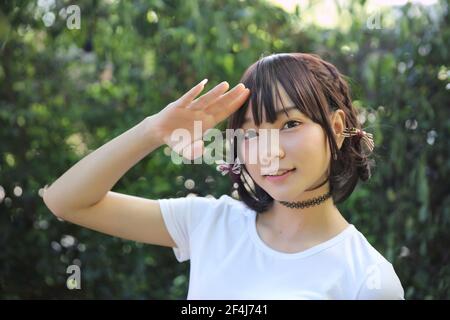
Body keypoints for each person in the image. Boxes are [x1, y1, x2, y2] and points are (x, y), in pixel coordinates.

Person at [43, 52, 404, 300]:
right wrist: (152, 131)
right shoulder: (209, 224)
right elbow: (65, 201)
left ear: (337, 128)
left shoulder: (368, 279)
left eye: (290, 124)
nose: (268, 151)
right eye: (250, 133)